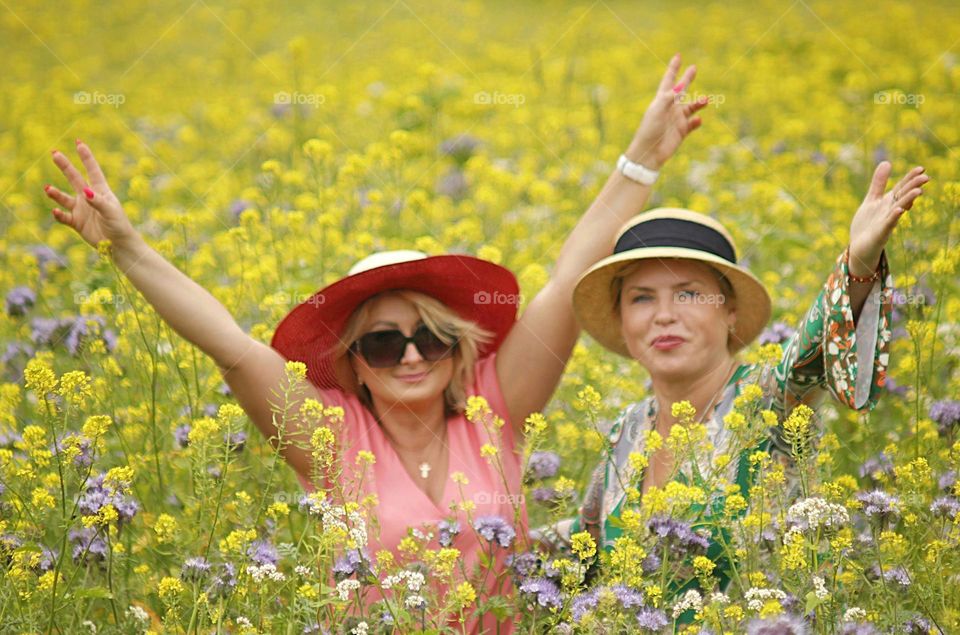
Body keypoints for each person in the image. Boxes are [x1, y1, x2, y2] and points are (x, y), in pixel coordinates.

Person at [43, 55, 710, 632]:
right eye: (385, 344)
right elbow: (230, 345)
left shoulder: (494, 409)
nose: (413, 355)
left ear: (457, 345)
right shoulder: (333, 440)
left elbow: (569, 280)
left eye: (431, 337)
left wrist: (642, 160)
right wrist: (127, 248)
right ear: (354, 363)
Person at [537, 162, 929, 595]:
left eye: (688, 293)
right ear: (622, 321)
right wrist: (480, 538)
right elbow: (585, 541)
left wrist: (858, 262)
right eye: (641, 298)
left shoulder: (766, 398)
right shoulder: (627, 428)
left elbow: (812, 351)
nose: (664, 315)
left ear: (729, 311)